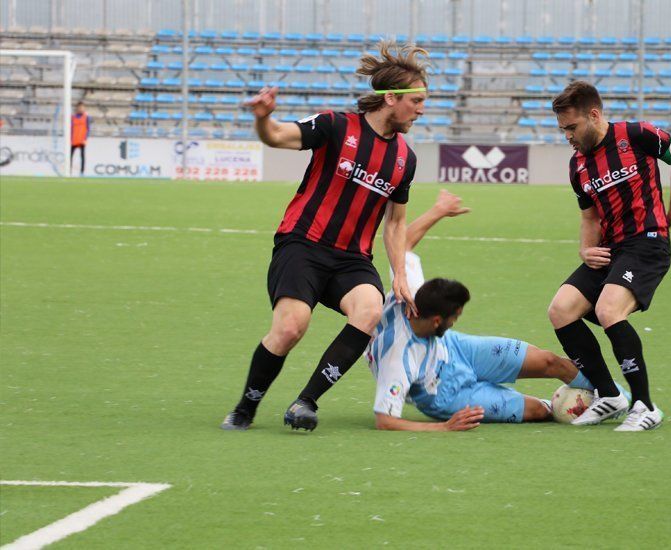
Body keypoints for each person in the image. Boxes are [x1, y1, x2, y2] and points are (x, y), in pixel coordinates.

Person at [221, 41, 428, 432]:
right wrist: (264, 119)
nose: (421, 108)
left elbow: (396, 223)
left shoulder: (405, 159)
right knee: (290, 328)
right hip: (302, 244)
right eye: (415, 100)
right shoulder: (336, 125)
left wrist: (399, 274)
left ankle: (306, 402)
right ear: (390, 99)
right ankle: (246, 407)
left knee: (369, 310)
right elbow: (278, 136)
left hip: (352, 260)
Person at [369, 190, 621, 431]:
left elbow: (403, 247)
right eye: (455, 316)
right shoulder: (397, 359)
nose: (457, 320)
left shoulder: (410, 291)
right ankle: (560, 405)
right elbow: (385, 421)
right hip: (445, 393)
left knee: (550, 362)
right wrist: (443, 427)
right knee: (539, 412)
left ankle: (617, 398)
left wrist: (439, 210)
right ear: (437, 320)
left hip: (456, 349)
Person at [546, 81, 671, 432]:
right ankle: (609, 395)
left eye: (571, 127)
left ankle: (644, 406)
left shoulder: (639, 134)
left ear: (593, 115)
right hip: (611, 250)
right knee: (561, 310)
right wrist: (585, 249)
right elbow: (589, 215)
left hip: (647, 243)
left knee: (608, 310)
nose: (566, 135)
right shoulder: (577, 165)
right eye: (562, 129)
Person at [70, 101, 90, 176]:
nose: (81, 109)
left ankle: (82, 172)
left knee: (82, 156)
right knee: (70, 156)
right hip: (74, 140)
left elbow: (88, 128)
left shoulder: (86, 117)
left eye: (82, 107)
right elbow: (71, 128)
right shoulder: (73, 117)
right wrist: (70, 138)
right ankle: (69, 171)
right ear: (77, 108)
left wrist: (85, 138)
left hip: (82, 140)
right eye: (79, 107)